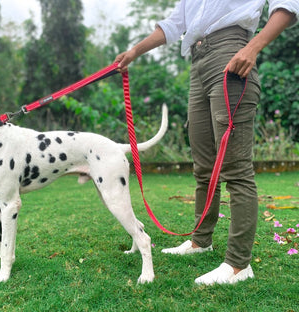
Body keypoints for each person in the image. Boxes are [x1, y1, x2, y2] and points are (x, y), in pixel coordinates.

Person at [115, 0, 298, 285]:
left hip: (231, 51)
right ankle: (201, 241)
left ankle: (239, 264)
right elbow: (175, 24)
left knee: (236, 169)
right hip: (197, 62)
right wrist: (135, 51)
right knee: (203, 167)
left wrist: (252, 47)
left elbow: (286, 5)